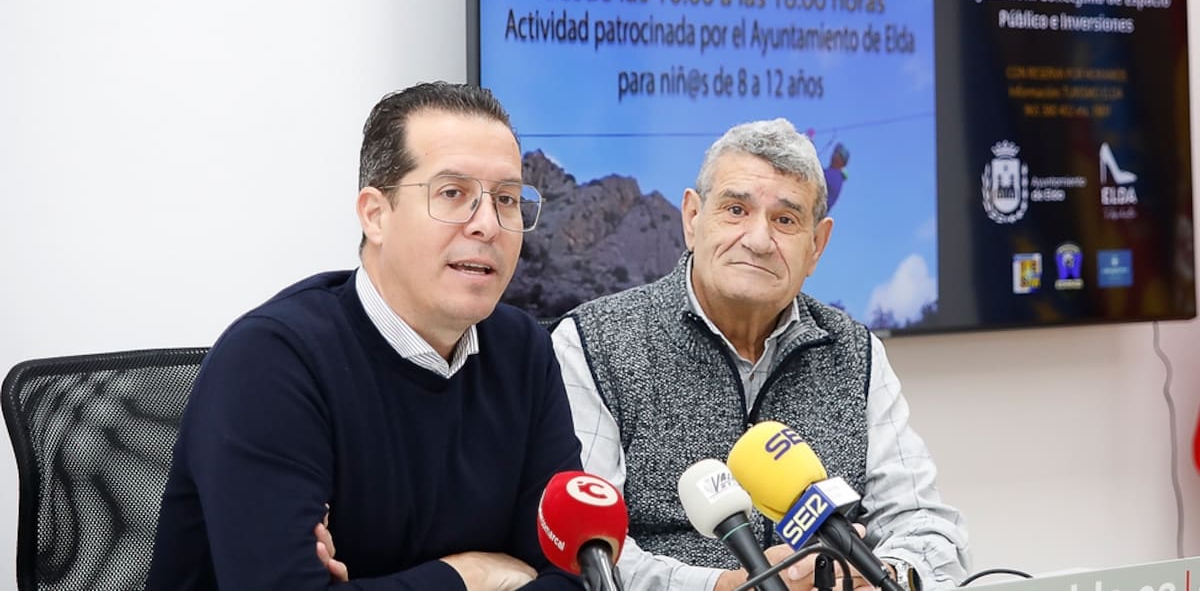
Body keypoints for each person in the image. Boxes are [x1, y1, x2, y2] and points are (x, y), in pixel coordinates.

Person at [147, 81, 584, 590]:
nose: (487, 224)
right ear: (376, 215)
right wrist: (467, 577)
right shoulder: (270, 362)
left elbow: (577, 571)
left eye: (506, 199)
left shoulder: (523, 351)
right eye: (453, 194)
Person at [551, 118, 970, 591]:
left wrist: (882, 575)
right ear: (692, 219)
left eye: (785, 220)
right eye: (736, 210)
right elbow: (588, 553)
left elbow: (927, 526)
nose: (758, 240)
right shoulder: (593, 343)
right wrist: (727, 587)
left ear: (817, 245)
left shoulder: (857, 353)